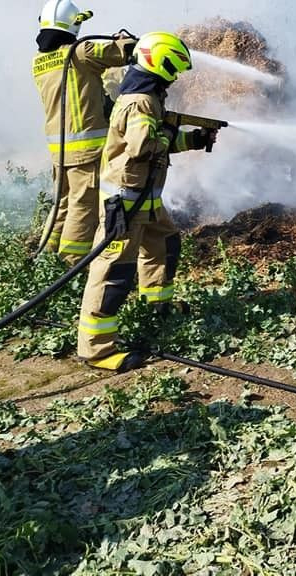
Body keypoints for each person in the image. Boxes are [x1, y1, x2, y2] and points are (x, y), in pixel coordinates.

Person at [77, 31, 217, 372]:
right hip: (127, 203)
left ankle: (157, 304)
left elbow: (155, 140)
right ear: (161, 62)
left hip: (146, 199)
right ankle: (96, 349)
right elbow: (143, 146)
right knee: (114, 271)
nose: (177, 75)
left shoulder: (148, 95)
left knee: (165, 242)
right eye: (175, 68)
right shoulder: (139, 100)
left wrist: (195, 139)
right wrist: (171, 135)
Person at [33, 0, 136, 263]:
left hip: (60, 150)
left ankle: (46, 256)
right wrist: (126, 40)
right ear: (74, 25)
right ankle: (71, 266)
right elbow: (126, 52)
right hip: (85, 151)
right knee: (83, 206)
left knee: (62, 205)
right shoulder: (81, 52)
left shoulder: (40, 62)